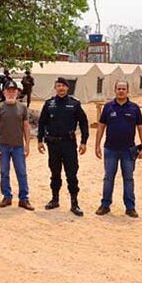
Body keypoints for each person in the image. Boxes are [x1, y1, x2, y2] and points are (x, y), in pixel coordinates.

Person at [94, 81, 142, 218]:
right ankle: (105, 205)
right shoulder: (108, 107)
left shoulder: (134, 108)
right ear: (115, 90)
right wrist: (97, 145)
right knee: (108, 178)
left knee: (128, 179)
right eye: (119, 89)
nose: (121, 91)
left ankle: (130, 207)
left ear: (127, 90)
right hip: (110, 149)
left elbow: (141, 128)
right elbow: (101, 126)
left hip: (128, 151)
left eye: (123, 89)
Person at [37, 77, 89, 216]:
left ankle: (74, 203)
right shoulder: (49, 104)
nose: (61, 88)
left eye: (63, 86)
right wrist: (39, 141)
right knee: (55, 173)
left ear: (67, 88)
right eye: (58, 85)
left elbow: (84, 123)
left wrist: (84, 142)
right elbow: (42, 123)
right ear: (55, 87)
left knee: (71, 174)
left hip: (69, 144)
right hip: (53, 144)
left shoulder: (74, 104)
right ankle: (55, 199)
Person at [0, 80, 34, 210]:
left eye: (13, 91)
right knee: (4, 172)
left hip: (18, 146)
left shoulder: (22, 108)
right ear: (4, 92)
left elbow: (26, 127)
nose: (11, 93)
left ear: (17, 92)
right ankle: (7, 196)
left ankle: (24, 198)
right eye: (8, 90)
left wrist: (27, 145)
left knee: (21, 172)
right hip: (3, 145)